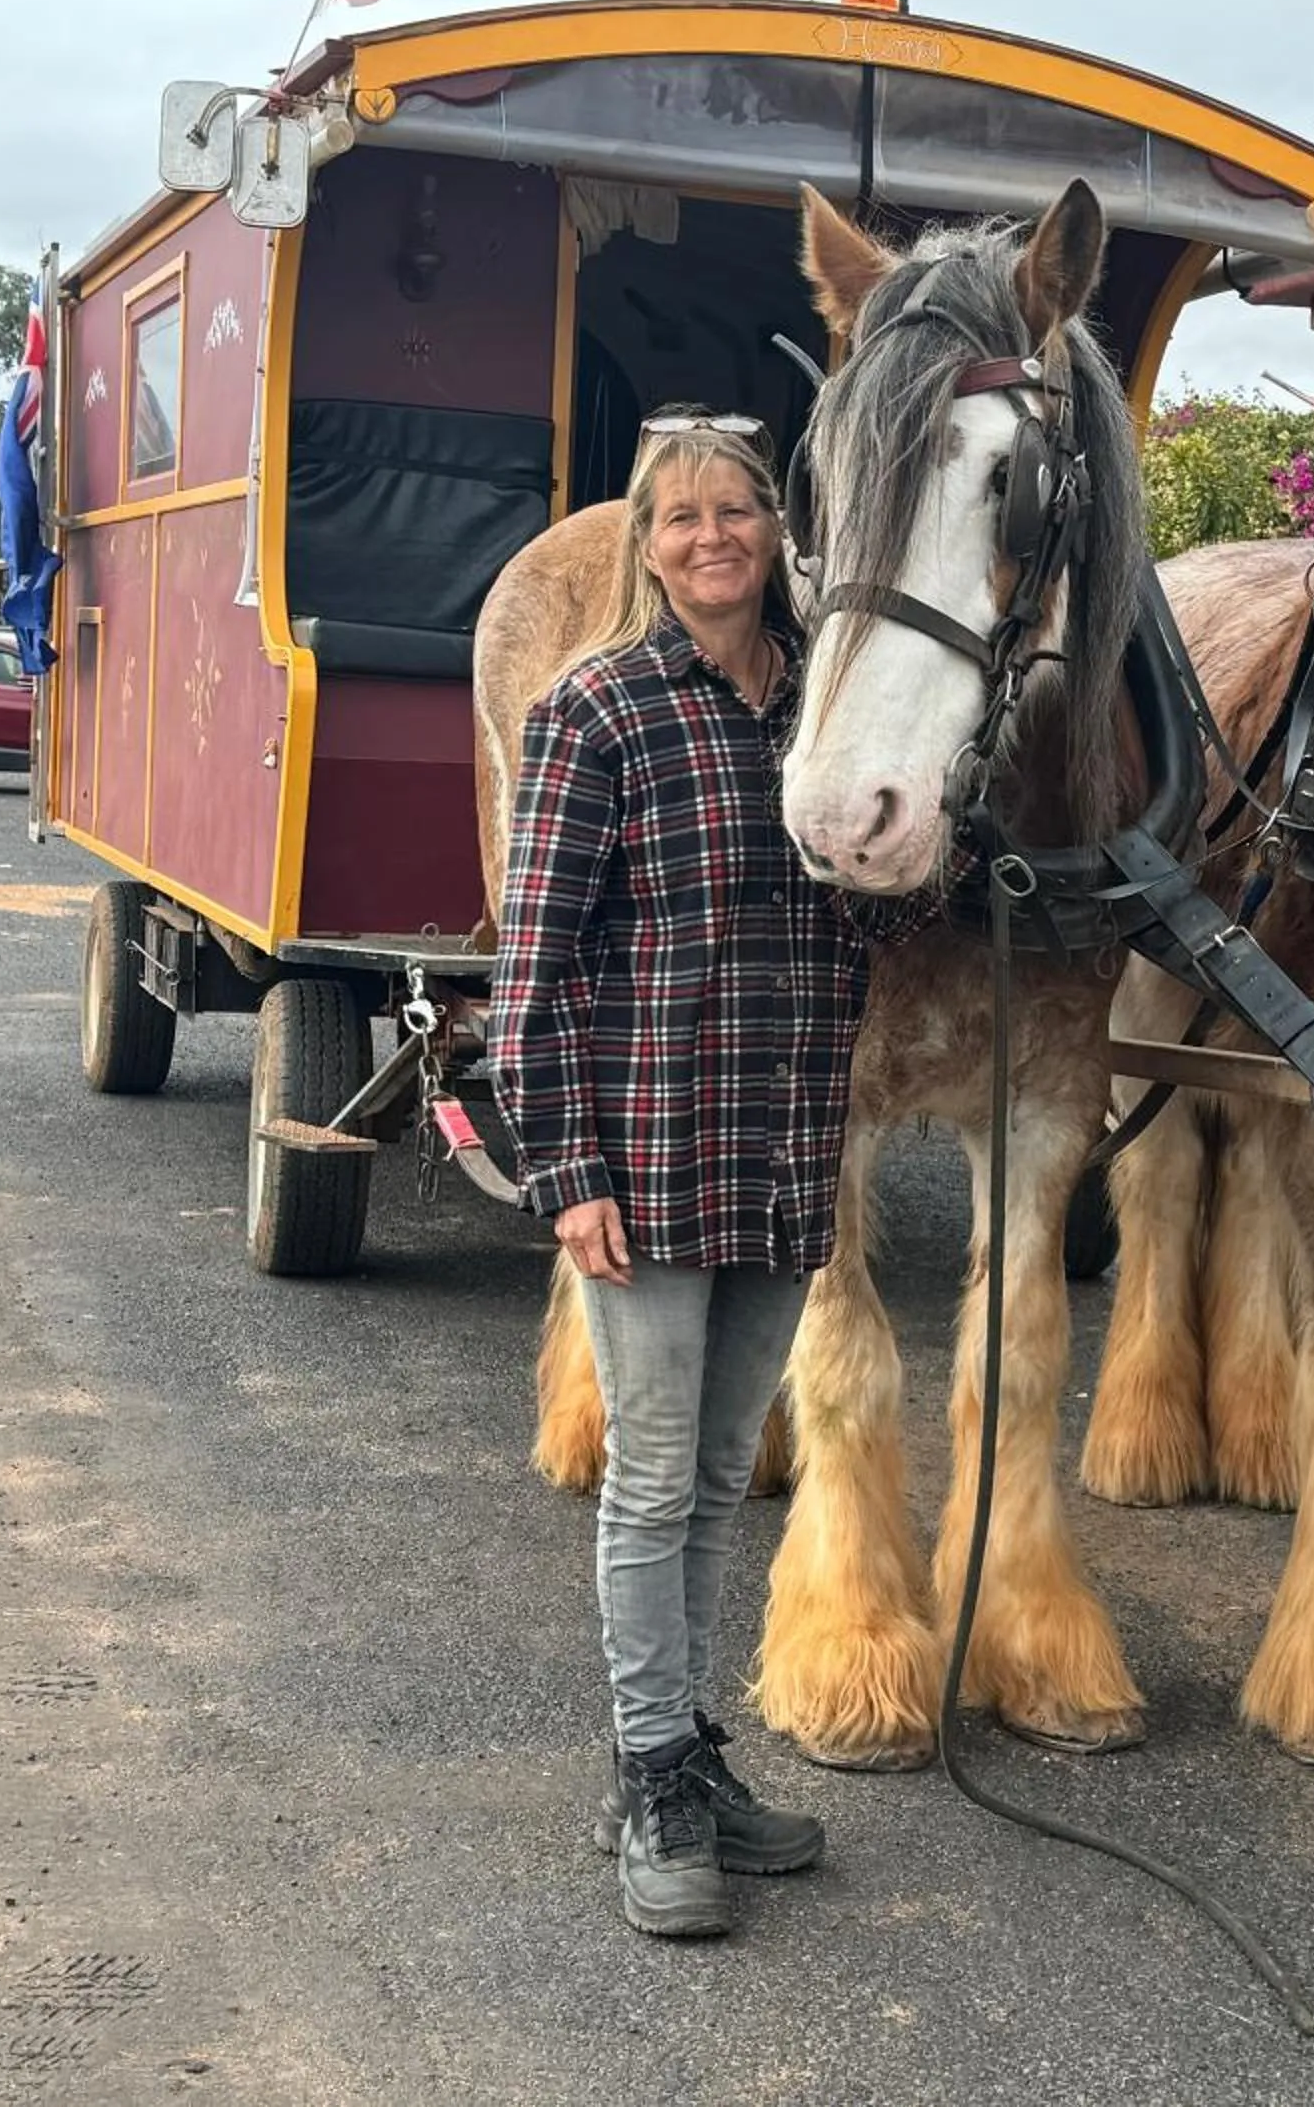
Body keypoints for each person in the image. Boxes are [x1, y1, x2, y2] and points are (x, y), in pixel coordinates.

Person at [487, 410, 870, 1941]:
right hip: (643, 1162)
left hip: (781, 1156)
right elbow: (535, 967)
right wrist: (566, 1168)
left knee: (720, 1475)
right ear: (648, 547)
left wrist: (936, 856)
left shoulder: (826, 709)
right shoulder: (599, 711)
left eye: (738, 511)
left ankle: (694, 1757)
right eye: (682, 517)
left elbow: (866, 918)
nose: (713, 537)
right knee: (651, 1482)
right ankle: (648, 1776)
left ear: (778, 529)